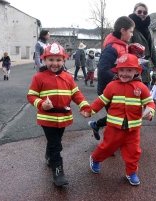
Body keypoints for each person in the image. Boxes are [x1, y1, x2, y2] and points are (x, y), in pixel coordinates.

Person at [27, 43, 91, 187]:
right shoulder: (39, 77)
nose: (54, 63)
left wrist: (84, 106)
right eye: (51, 60)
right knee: (57, 145)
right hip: (46, 118)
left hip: (64, 117)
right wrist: (41, 103)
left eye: (58, 60)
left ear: (63, 61)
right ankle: (58, 170)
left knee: (56, 140)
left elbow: (76, 94)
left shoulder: (68, 78)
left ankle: (49, 156)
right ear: (44, 60)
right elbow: (31, 96)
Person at [89, 54, 156, 186]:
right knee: (106, 147)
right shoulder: (112, 86)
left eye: (129, 70)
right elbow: (101, 101)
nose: (124, 73)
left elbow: (150, 103)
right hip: (114, 127)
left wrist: (150, 111)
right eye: (121, 70)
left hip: (133, 129)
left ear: (137, 71)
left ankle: (131, 172)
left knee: (133, 152)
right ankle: (95, 159)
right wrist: (89, 111)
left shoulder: (141, 87)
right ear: (117, 71)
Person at [88, 16, 135, 140]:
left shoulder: (122, 45)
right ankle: (109, 145)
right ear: (123, 31)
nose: (132, 34)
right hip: (108, 90)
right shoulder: (112, 47)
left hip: (118, 87)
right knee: (116, 117)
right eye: (131, 31)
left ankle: (96, 125)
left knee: (119, 116)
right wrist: (117, 78)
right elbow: (103, 70)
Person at [129, 2, 156, 89]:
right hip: (133, 67)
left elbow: (152, 48)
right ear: (134, 12)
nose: (142, 14)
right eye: (139, 12)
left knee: (146, 94)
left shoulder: (148, 29)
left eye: (144, 12)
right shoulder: (130, 27)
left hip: (146, 67)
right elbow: (126, 47)